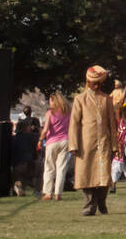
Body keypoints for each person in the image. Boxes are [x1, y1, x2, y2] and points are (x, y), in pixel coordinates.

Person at [69, 66, 118, 216]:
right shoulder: (79, 99)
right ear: (88, 82)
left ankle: (101, 202)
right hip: (85, 144)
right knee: (86, 174)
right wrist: (73, 145)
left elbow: (112, 124)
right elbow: (74, 124)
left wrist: (115, 146)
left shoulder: (106, 99)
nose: (96, 86)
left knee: (104, 176)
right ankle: (89, 205)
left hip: (103, 144)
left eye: (99, 84)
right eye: (94, 83)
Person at [40, 92, 71, 201]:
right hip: (66, 141)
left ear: (54, 101)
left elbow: (45, 129)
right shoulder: (68, 112)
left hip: (52, 141)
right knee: (61, 168)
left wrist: (40, 139)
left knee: (49, 168)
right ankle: (58, 193)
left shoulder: (50, 113)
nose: (50, 102)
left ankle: (48, 193)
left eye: (51, 100)